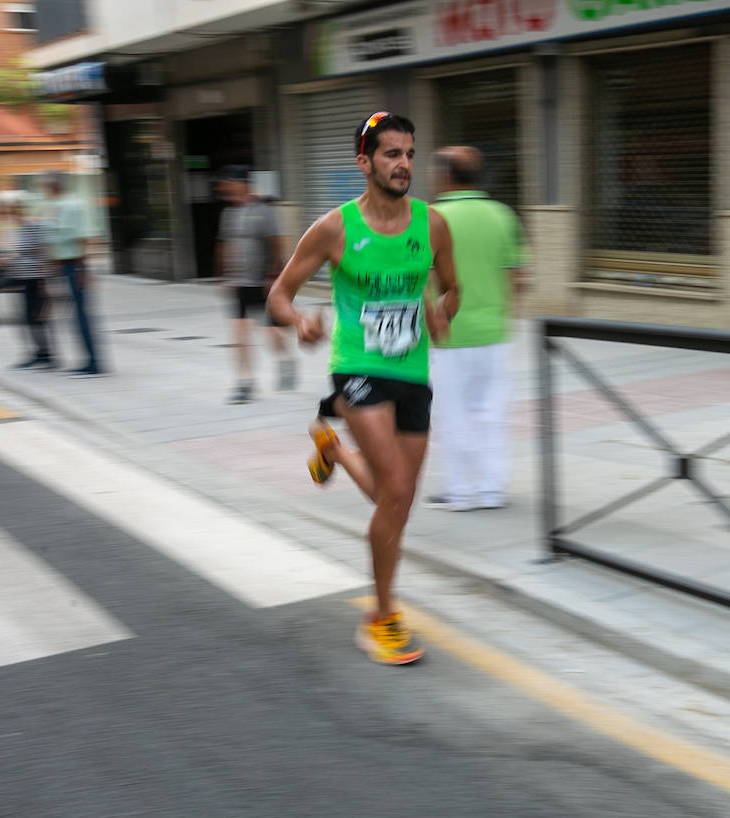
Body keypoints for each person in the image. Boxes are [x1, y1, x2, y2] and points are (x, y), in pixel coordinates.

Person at [266, 112, 460, 666]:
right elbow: (278, 295)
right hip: (357, 367)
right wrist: (299, 321)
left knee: (395, 499)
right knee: (395, 490)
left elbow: (452, 288)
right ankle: (382, 616)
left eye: (410, 154)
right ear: (364, 162)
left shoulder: (433, 225)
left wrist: (443, 312)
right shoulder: (335, 228)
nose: (403, 164)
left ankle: (332, 449)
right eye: (391, 154)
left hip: (412, 372)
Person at [427, 146, 530, 511]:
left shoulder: (430, 218)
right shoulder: (502, 215)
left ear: (446, 176)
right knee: (492, 413)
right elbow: (518, 277)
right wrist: (507, 318)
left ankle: (460, 491)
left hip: (449, 333)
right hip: (495, 333)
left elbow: (421, 278)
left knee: (453, 414)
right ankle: (492, 488)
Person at [215, 164, 293, 404]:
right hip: (239, 283)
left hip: (261, 283)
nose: (228, 189)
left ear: (244, 184)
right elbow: (224, 244)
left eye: (231, 184)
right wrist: (223, 275)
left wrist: (272, 276)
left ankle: (286, 360)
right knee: (239, 335)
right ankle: (245, 383)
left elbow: (276, 243)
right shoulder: (228, 213)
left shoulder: (263, 211)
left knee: (270, 331)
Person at [41, 171, 104, 377]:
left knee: (81, 316)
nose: (44, 190)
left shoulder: (72, 205)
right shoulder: (55, 206)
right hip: (64, 267)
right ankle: (88, 360)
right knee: (74, 317)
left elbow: (84, 238)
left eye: (45, 186)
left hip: (75, 267)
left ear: (54, 186)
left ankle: (93, 363)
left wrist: (83, 268)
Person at [2, 192, 56, 370]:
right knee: (28, 318)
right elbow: (22, 253)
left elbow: (43, 254)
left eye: (14, 212)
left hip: (35, 279)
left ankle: (46, 356)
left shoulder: (33, 227)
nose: (11, 216)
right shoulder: (20, 229)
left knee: (35, 317)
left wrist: (43, 282)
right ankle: (38, 354)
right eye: (10, 212)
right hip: (23, 279)